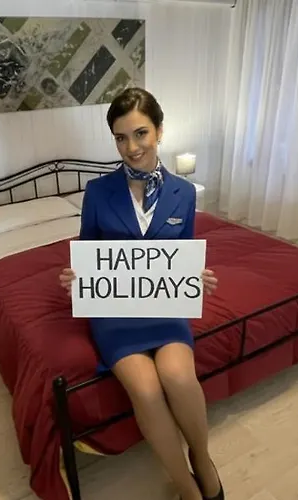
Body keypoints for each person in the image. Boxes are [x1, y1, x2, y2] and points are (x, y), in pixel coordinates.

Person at [59, 87, 224, 500]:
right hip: (115, 315)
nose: (131, 147)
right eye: (121, 137)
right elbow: (89, 250)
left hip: (164, 307)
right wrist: (77, 276)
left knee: (178, 377)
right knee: (147, 391)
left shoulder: (184, 193)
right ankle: (186, 487)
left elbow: (182, 253)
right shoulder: (98, 191)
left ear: (159, 131)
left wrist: (196, 277)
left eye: (140, 134)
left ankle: (202, 459)